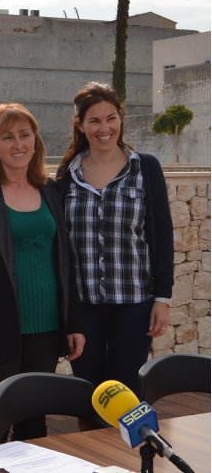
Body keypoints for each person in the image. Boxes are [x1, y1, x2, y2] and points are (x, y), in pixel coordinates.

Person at [0, 103, 85, 447]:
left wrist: (74, 323)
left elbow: (67, 263)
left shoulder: (50, 190)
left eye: (25, 135)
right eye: (7, 137)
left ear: (36, 141)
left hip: (46, 327)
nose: (18, 144)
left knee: (34, 421)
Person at [56, 82, 173, 393]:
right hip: (83, 308)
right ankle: (92, 443)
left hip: (134, 304)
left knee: (127, 391)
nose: (104, 128)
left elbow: (162, 234)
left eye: (111, 118)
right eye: (94, 120)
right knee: (88, 393)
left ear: (121, 119)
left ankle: (129, 444)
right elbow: (62, 249)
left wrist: (162, 298)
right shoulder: (68, 174)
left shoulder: (145, 167)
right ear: (80, 125)